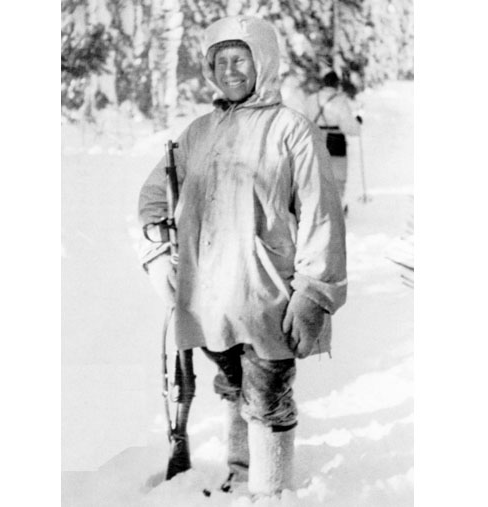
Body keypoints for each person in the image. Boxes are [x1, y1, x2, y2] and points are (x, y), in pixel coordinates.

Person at [138, 16, 347, 498]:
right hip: (208, 295)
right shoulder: (197, 133)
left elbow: (322, 218)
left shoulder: (292, 130)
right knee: (233, 382)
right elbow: (153, 199)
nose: (230, 70)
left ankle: (270, 490)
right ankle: (240, 469)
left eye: (241, 59)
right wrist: (157, 256)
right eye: (220, 61)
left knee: (268, 391)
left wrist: (314, 294)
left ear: (264, 62)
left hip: (267, 291)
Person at [305, 70, 362, 211]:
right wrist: (358, 124)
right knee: (338, 177)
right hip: (336, 140)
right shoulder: (340, 100)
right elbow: (349, 126)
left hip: (316, 139)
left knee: (317, 175)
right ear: (336, 84)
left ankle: (317, 207)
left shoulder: (311, 99)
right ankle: (336, 208)